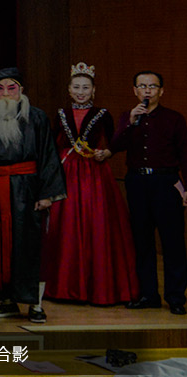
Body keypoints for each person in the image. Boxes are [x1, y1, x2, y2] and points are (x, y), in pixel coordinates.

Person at [42, 63, 136, 305]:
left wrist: (107, 152)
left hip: (94, 175)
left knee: (97, 224)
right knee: (66, 226)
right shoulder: (60, 114)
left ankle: (98, 287)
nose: (81, 92)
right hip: (67, 174)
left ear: (93, 90)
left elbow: (114, 141)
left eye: (86, 87)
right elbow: (51, 144)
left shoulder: (103, 114)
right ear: (69, 89)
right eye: (76, 87)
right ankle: (65, 286)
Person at [0, 67, 66, 323]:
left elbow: (48, 155)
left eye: (11, 88)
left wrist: (46, 193)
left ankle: (36, 305)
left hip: (28, 191)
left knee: (31, 246)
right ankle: (7, 301)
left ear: (21, 91)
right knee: (0, 247)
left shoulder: (36, 117)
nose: (6, 94)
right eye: (0, 89)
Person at [115, 70, 187, 315]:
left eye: (152, 86)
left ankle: (176, 297)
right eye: (142, 86)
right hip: (137, 182)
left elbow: (185, 155)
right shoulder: (128, 117)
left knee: (172, 241)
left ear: (161, 91)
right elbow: (115, 146)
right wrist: (130, 122)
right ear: (135, 90)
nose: (147, 90)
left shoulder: (174, 119)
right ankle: (148, 295)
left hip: (166, 182)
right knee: (142, 240)